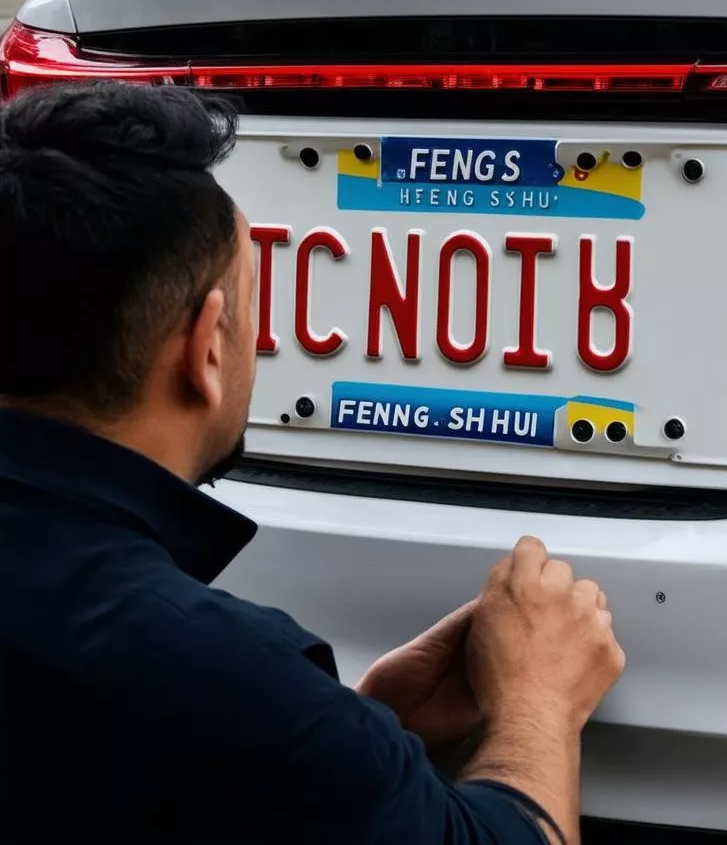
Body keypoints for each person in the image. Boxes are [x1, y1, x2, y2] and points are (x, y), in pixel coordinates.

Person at [0, 82, 625, 844]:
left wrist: (359, 726)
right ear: (207, 349)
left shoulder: (232, 693)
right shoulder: (221, 675)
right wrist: (540, 703)